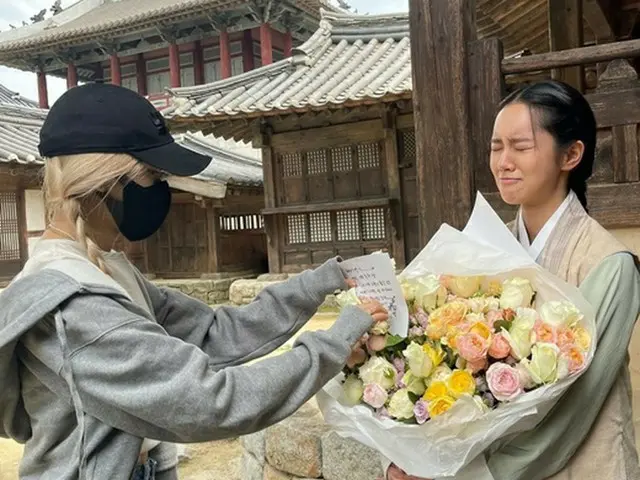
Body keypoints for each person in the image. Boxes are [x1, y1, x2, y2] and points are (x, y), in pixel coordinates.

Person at [0, 83, 388, 480]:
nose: (162, 189)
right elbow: (211, 401)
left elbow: (214, 332)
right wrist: (335, 342)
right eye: (153, 174)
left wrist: (321, 281)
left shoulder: (108, 268)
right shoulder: (72, 303)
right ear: (107, 181)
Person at [385, 79, 640, 480]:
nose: (503, 162)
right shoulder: (483, 250)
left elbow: (575, 408)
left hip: (585, 463)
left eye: (520, 147)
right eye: (496, 147)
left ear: (571, 154)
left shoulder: (609, 264)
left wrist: (469, 475)